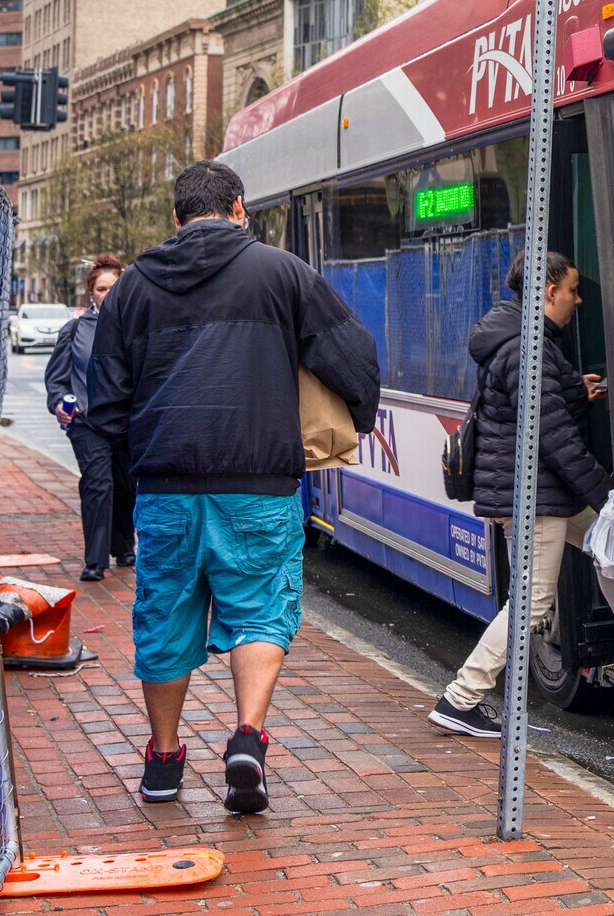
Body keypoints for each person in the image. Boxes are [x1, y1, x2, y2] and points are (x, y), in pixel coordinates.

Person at [86, 161, 379, 815]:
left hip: (165, 487)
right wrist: (353, 415)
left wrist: (140, 452)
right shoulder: (282, 272)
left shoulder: (132, 288)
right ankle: (247, 736)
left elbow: (105, 404)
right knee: (263, 608)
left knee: (163, 619)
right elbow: (352, 355)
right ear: (239, 208)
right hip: (259, 484)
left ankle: (163, 762)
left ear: (176, 217)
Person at [429, 250, 609, 738]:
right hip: (535, 498)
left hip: (531, 494)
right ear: (550, 292)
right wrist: (608, 492)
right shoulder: (528, 347)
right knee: (532, 602)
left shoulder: (521, 340)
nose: (576, 299)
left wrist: (574, 389)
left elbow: (531, 406)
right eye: (572, 289)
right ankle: (461, 697)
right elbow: (555, 438)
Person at [45, 254, 133, 581]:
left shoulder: (135, 325)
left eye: (115, 287)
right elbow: (56, 379)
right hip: (86, 422)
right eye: (102, 288)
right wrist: (60, 403)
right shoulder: (75, 330)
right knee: (98, 483)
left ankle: (124, 547)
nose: (108, 294)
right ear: (91, 292)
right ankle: (95, 560)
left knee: (125, 486)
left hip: (126, 422)